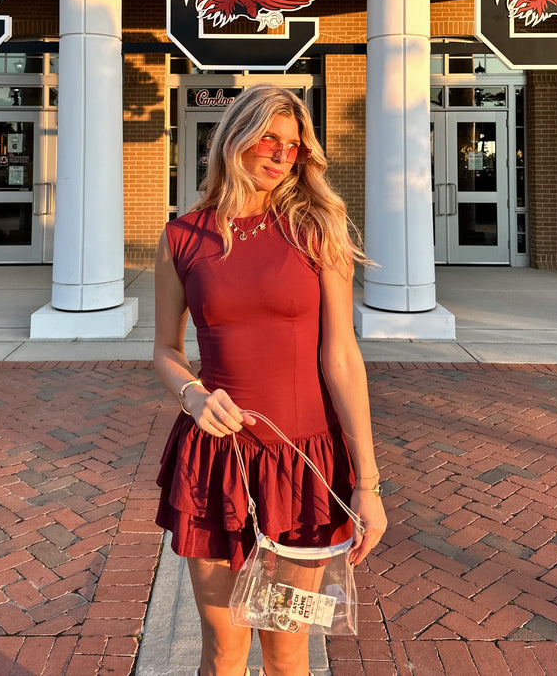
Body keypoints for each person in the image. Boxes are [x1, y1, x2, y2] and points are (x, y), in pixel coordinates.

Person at [154, 84, 387, 676]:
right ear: (234, 138)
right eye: (269, 138)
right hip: (215, 469)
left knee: (287, 649)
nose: (283, 154)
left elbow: (342, 358)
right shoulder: (183, 237)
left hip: (303, 470)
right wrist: (192, 394)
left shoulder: (317, 229)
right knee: (224, 650)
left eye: (295, 145)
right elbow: (163, 351)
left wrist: (369, 484)